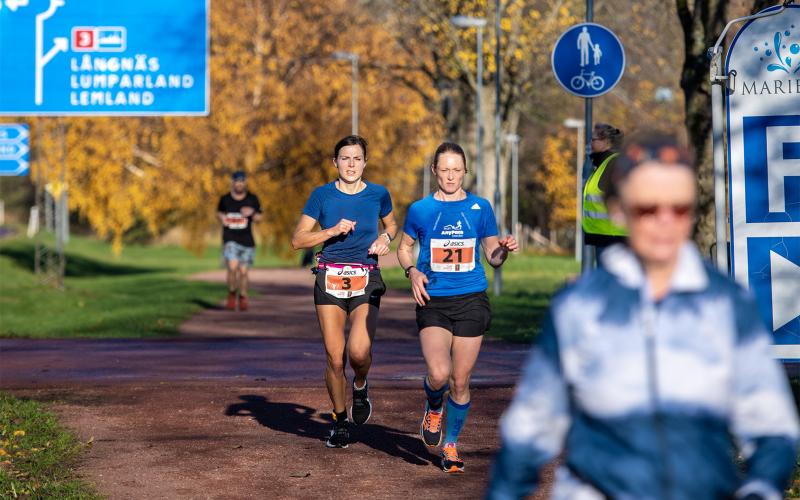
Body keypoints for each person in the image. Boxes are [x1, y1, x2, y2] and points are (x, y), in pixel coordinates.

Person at [487, 134, 799, 499]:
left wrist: (761, 487)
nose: (666, 221)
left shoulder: (727, 304)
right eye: (648, 208)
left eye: (680, 208)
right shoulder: (579, 307)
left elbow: (772, 425)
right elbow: (530, 425)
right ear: (618, 210)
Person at [397, 142, 518, 474]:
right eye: (444, 169)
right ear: (434, 171)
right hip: (433, 300)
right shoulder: (420, 209)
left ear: (465, 171)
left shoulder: (480, 208)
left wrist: (504, 249)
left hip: (471, 300)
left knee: (460, 380)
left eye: (456, 169)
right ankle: (433, 406)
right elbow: (404, 248)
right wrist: (412, 271)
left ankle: (450, 444)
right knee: (438, 374)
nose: (450, 175)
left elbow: (493, 257)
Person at [291, 135, 397, 449]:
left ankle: (361, 385)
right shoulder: (321, 196)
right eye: (345, 158)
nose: (351, 164)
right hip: (330, 279)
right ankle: (339, 421)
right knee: (335, 359)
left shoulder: (379, 194)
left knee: (359, 353)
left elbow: (392, 225)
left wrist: (386, 239)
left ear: (365, 162)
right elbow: (298, 240)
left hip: (366, 278)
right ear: (335, 162)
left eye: (356, 158)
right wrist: (331, 230)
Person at [217, 171, 262, 311]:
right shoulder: (225, 199)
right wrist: (222, 218)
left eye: (242, 181)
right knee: (232, 267)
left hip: (247, 241)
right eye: (237, 181)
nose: (239, 184)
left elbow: (260, 218)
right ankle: (231, 292)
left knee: (243, 272)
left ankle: (242, 296)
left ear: (245, 183)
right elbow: (219, 212)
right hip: (230, 239)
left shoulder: (252, 199)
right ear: (233, 182)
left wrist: (252, 213)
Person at [582, 123, 626, 257]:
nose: (589, 143)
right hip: (604, 235)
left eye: (593, 139)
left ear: (606, 142)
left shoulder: (613, 163)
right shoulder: (601, 164)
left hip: (612, 237)